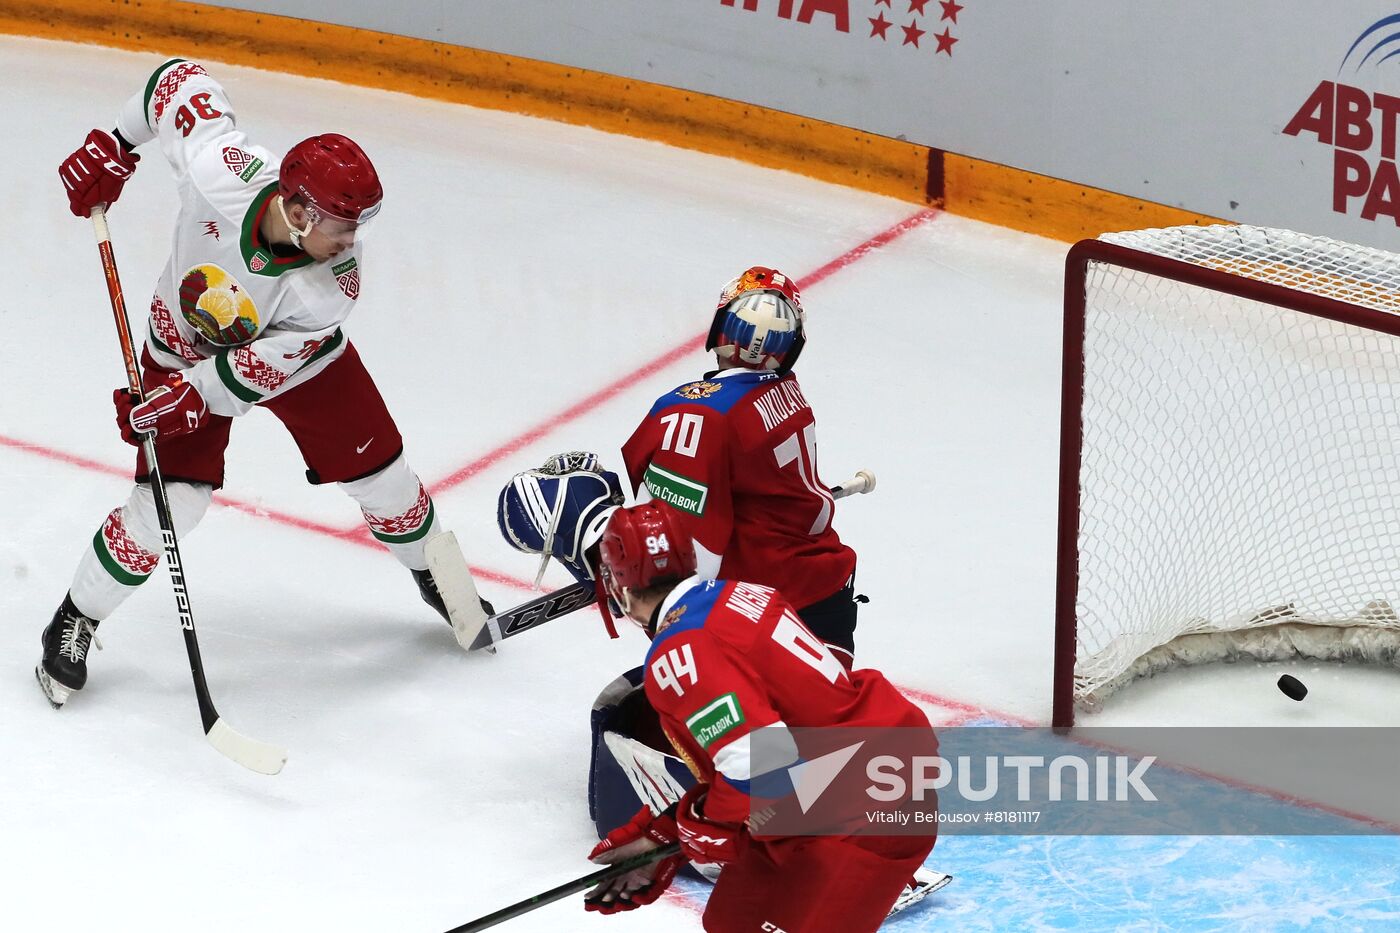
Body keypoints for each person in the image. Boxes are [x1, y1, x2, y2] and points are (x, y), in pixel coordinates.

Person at [38, 57, 483, 709]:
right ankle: (75, 617)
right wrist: (116, 141)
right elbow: (178, 80)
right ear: (298, 210)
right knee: (170, 503)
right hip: (182, 342)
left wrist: (193, 400)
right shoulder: (223, 169)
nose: (351, 237)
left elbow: (253, 371)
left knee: (385, 478)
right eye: (340, 221)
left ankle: (439, 576)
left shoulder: (333, 285)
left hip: (299, 359)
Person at [581, 502, 937, 932]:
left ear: (618, 582)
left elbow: (762, 768)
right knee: (732, 922)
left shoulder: (679, 649)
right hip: (839, 781)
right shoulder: (740, 595)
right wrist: (660, 832)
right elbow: (762, 750)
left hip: (855, 812)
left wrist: (694, 833)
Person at [499, 265, 861, 664]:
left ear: (721, 328)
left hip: (760, 630)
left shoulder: (695, 413)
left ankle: (595, 557)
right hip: (826, 620)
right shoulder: (785, 392)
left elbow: (687, 566)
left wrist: (618, 563)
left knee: (544, 499)